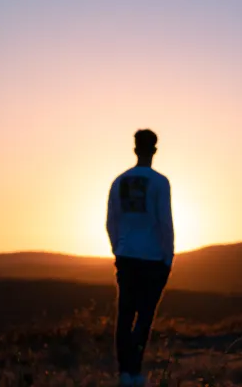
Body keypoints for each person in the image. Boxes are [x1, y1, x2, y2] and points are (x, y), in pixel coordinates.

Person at [106, 129, 174, 387]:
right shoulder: (160, 182)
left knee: (125, 315)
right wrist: (168, 256)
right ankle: (134, 372)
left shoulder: (118, 181)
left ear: (135, 149)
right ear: (154, 150)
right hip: (153, 259)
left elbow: (110, 222)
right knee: (144, 317)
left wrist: (118, 249)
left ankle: (126, 373)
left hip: (126, 256)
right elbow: (164, 223)